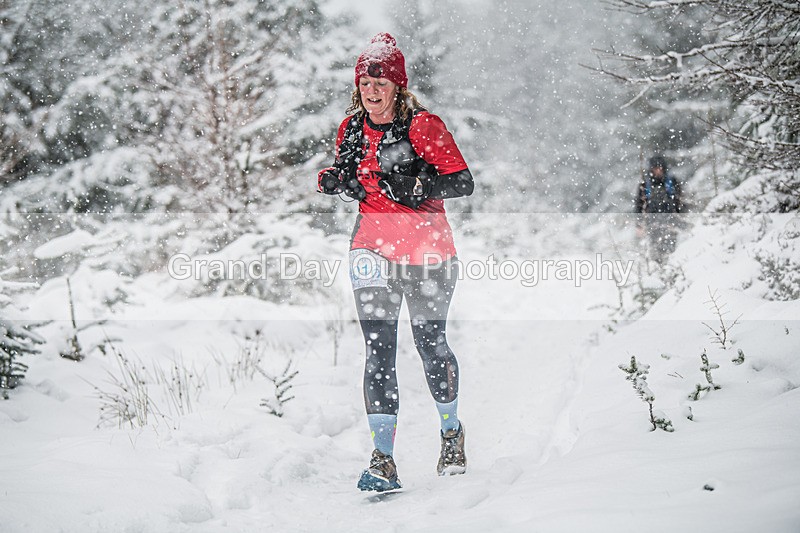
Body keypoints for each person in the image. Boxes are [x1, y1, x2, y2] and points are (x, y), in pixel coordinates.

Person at [317, 33, 474, 492]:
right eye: (366, 81)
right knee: (378, 349)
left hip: (428, 252)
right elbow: (350, 173)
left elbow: (462, 182)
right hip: (370, 250)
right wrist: (335, 180)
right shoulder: (350, 128)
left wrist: (420, 188)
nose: (372, 89)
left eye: (381, 81)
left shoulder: (424, 126)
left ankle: (450, 431)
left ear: (398, 86)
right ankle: (383, 458)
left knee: (431, 346)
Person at [635, 155, 683, 263]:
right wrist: (639, 224)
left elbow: (679, 202)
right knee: (655, 253)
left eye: (660, 168)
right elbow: (639, 205)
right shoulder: (644, 185)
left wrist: (678, 218)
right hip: (652, 224)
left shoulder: (672, 182)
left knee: (672, 252)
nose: (658, 171)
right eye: (655, 168)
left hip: (670, 223)